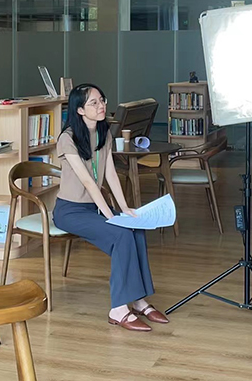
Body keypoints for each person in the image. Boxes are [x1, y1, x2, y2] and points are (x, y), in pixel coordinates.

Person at [52, 83, 168, 332]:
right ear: (80, 110)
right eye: (93, 103)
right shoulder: (67, 138)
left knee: (135, 228)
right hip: (70, 211)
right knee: (120, 233)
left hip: (94, 209)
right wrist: (110, 216)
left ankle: (138, 301)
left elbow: (110, 174)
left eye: (102, 100)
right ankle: (118, 309)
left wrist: (124, 209)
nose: (101, 105)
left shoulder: (103, 134)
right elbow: (87, 181)